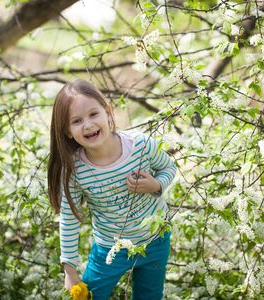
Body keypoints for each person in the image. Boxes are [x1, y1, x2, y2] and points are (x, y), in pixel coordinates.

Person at [47, 79, 177, 299]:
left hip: (156, 241)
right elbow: (69, 218)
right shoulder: (75, 170)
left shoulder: (141, 146)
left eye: (93, 114)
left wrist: (156, 185)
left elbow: (168, 167)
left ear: (107, 113)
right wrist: (69, 268)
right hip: (110, 249)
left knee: (149, 296)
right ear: (68, 132)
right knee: (88, 297)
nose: (87, 125)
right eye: (76, 121)